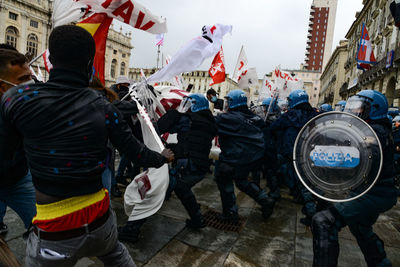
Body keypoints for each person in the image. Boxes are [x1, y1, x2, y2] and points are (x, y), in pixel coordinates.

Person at [0, 25, 174, 266]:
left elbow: (5, 155)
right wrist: (164, 157)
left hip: (54, 231)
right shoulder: (104, 107)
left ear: (50, 58)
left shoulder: (16, 100)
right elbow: (138, 154)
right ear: (90, 62)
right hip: (100, 219)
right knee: (116, 255)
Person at [312, 90, 398, 267]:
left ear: (373, 109)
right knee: (360, 226)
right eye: (351, 108)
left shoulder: (375, 132)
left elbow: (359, 152)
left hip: (375, 192)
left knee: (324, 222)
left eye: (357, 109)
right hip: (371, 190)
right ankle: (381, 263)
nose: (352, 113)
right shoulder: (370, 128)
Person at [118, 94, 217, 243]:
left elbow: (160, 127)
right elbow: (190, 141)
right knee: (183, 190)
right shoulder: (210, 122)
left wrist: (177, 112)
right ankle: (198, 220)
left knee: (154, 194)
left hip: (186, 166)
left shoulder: (188, 120)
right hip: (199, 166)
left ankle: (131, 230)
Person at [215, 89, 275, 223]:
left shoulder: (228, 117)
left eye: (228, 101)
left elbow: (212, 125)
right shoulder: (255, 118)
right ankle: (265, 200)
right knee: (242, 182)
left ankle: (230, 213)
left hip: (234, 157)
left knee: (224, 181)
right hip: (251, 159)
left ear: (233, 102)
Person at [0, 48, 36, 235]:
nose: (30, 84)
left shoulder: (25, 107)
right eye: (22, 79)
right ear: (2, 86)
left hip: (18, 179)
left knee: (42, 227)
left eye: (29, 77)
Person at [271, 89, 319, 225]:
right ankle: (307, 203)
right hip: (310, 153)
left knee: (299, 181)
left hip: (291, 152)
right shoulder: (315, 115)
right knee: (307, 182)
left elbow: (274, 126)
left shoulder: (290, 115)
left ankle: (312, 214)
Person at [260, 97, 281, 200]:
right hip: (268, 149)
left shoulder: (273, 119)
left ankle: (275, 192)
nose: (263, 109)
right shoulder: (268, 118)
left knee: (271, 172)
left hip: (271, 150)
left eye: (265, 107)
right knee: (269, 172)